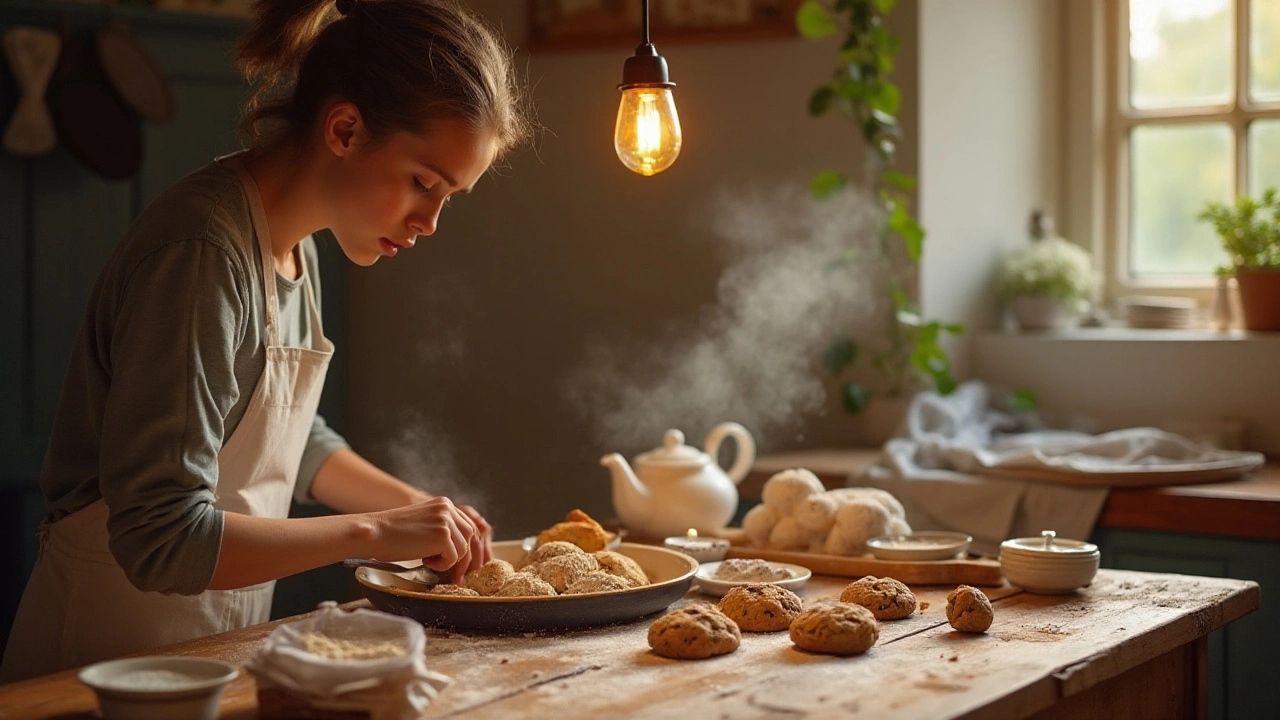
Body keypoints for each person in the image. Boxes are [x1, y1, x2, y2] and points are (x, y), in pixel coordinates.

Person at [0, 0, 535, 682]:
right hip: (99, 662)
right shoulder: (201, 253)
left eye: (447, 197)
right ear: (344, 129)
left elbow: (281, 434)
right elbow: (159, 539)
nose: (430, 222)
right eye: (423, 183)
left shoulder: (294, 245)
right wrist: (379, 533)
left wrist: (418, 510)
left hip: (195, 649)